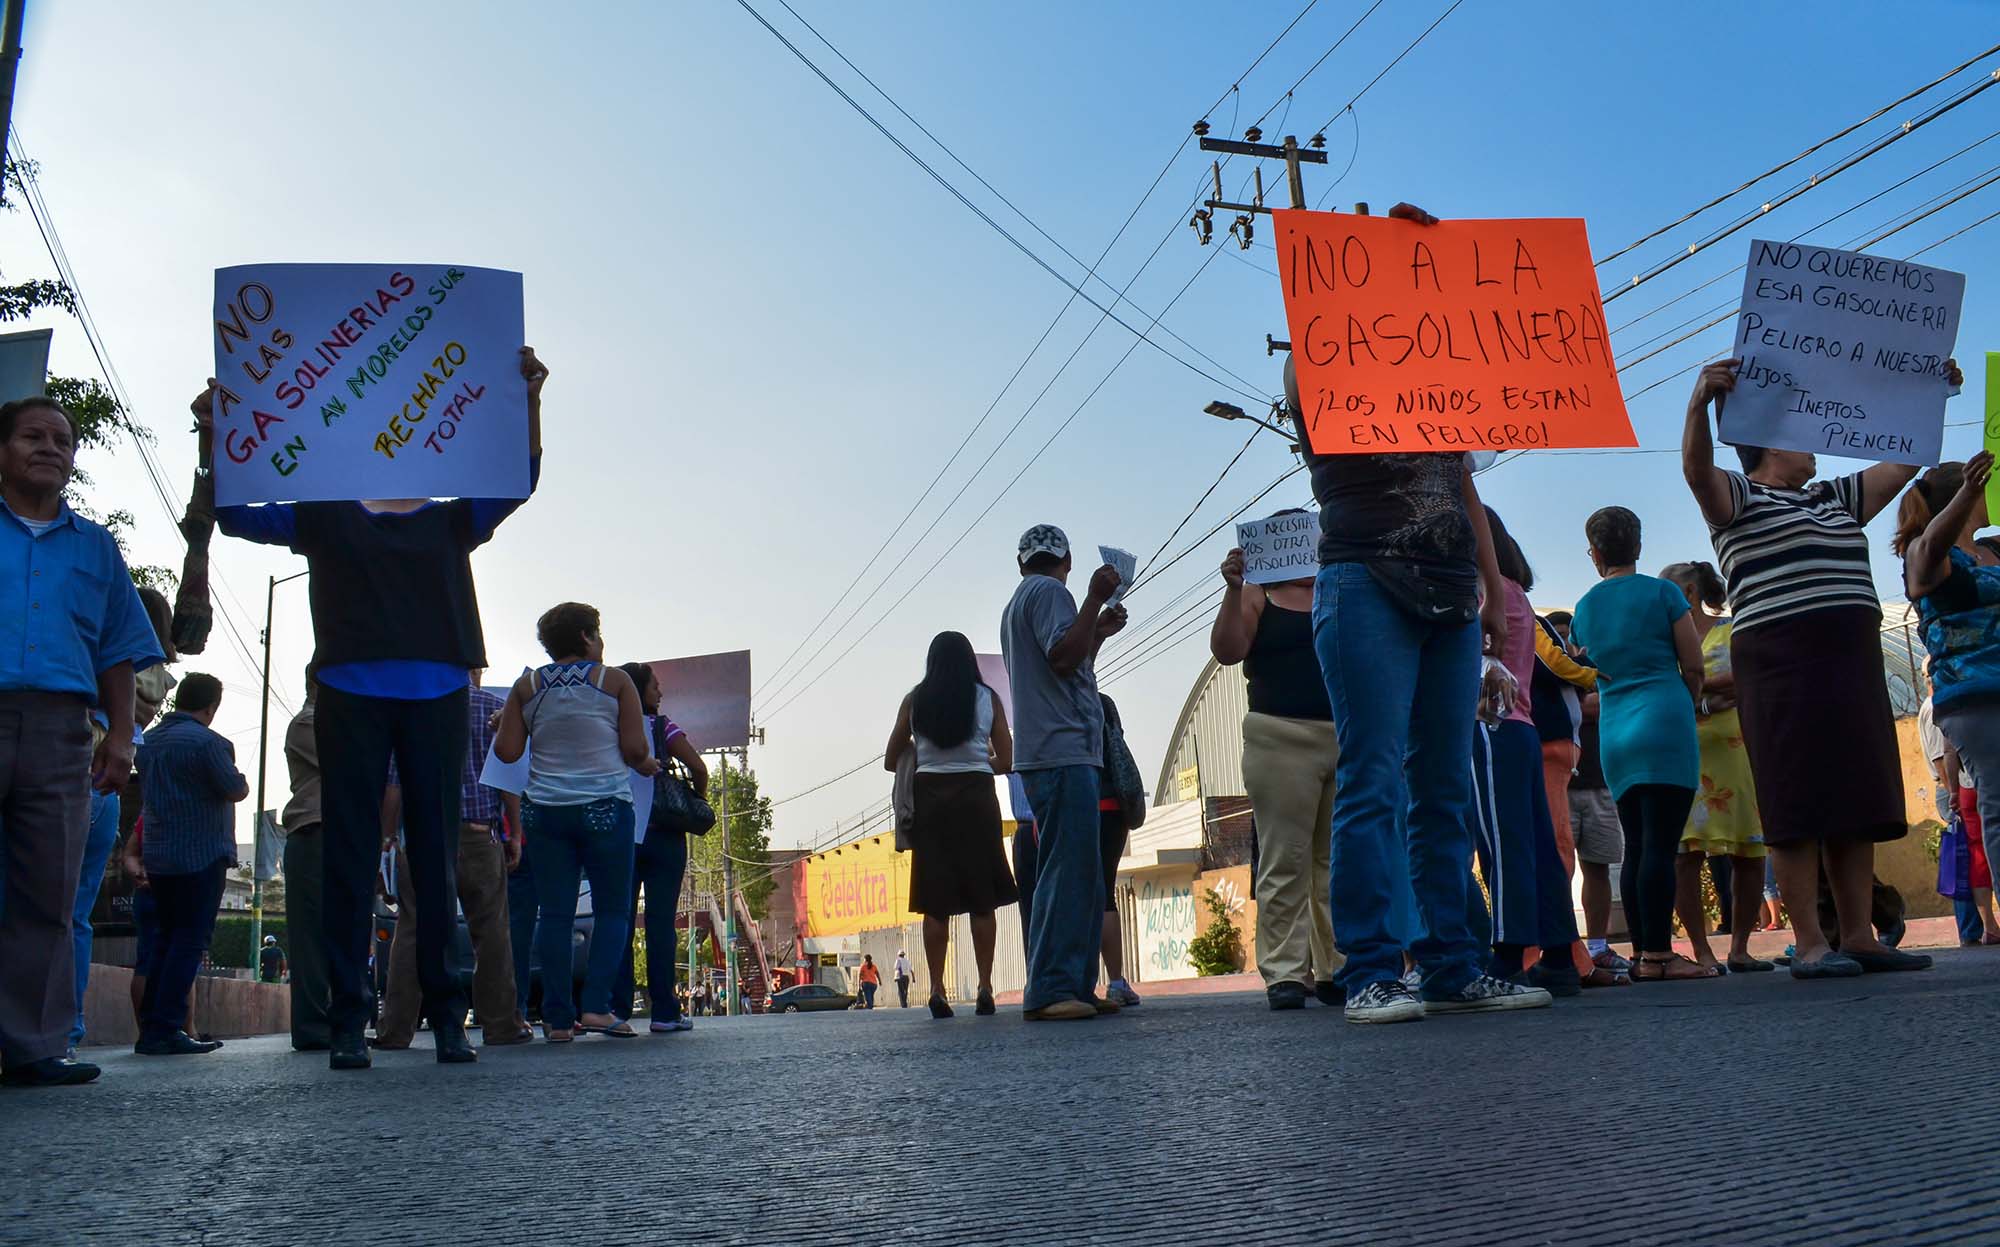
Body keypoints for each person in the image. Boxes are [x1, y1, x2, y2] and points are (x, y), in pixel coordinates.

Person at [207, 346, 551, 1068]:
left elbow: (520, 480)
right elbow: (236, 515)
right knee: (351, 855)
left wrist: (528, 398)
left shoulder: (452, 519)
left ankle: (449, 1019)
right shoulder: (326, 512)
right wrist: (215, 434)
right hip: (350, 691)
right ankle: (345, 1019)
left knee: (434, 855)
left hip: (435, 692)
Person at [1285, 274, 1550, 1025]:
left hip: (1450, 594)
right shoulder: (1323, 361)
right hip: (1365, 582)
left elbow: (1465, 489)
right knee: (1372, 779)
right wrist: (1351, 271)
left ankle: (1449, 964)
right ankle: (1369, 968)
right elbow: (1307, 362)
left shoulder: (1435, 382)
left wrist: (1492, 592)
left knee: (1443, 787)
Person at [1684, 356, 1944, 978]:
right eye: (1803, 440)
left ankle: (1860, 936)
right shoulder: (1739, 496)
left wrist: (1927, 390)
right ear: (1772, 447)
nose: (1816, 451)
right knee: (1794, 800)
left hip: (1850, 663)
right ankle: (1810, 944)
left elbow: (1905, 460)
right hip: (1779, 666)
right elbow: (1698, 471)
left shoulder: (1835, 497)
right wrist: (1698, 406)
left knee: (1857, 796)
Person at [0, 395, 163, 1087]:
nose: (51, 448)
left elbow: (119, 651)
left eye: (63, 440)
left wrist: (121, 738)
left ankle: (36, 1046)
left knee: (48, 892)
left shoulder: (95, 546)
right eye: (33, 435)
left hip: (62, 729)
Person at [494, 602, 659, 1042]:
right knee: (612, 910)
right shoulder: (616, 682)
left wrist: (510, 722)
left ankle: (558, 1019)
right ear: (587, 637)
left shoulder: (526, 687)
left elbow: (508, 752)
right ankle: (597, 1008)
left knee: (555, 915)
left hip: (544, 812)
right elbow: (633, 750)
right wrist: (648, 765)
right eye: (598, 633)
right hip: (605, 807)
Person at [1570, 508, 1707, 982]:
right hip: (1665, 720)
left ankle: (1643, 956)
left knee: (1636, 845)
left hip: (1615, 730)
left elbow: (1580, 669)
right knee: (1662, 844)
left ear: (1596, 553)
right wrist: (1689, 699)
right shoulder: (1664, 592)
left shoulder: (1585, 607)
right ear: (1639, 547)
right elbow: (1693, 663)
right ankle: (1658, 955)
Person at [1211, 525, 1340, 1010]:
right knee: (1285, 858)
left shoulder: (1336, 586)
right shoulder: (1256, 594)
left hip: (1342, 735)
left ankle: (1338, 968)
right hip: (1278, 735)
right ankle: (1286, 973)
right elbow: (1227, 651)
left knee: (1335, 861)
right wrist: (1231, 588)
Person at [1001, 526, 1126, 1022]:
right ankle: (1052, 988)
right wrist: (1094, 600)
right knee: (1068, 873)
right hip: (1062, 750)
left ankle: (1073, 984)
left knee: (1082, 874)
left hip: (1051, 750)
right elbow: (1061, 657)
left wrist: (1094, 630)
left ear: (1021, 562)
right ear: (1068, 560)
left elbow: (1071, 659)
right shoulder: (1053, 592)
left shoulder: (1020, 599)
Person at [1464, 508, 1584, 995]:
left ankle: (1508, 951)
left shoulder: (1479, 592)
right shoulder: (1515, 594)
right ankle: (1557, 952)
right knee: (1534, 844)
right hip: (1521, 727)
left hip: (1489, 726)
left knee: (1501, 844)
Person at [377, 669, 530, 1050]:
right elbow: (509, 778)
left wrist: (387, 838)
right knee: (491, 933)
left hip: (426, 839)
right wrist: (514, 832)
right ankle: (500, 1026)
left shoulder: (413, 712)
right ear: (476, 671)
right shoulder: (495, 709)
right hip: (480, 836)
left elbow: (394, 785)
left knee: (412, 931)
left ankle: (396, 1030)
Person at [885, 630, 1019, 1019]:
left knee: (935, 902)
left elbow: (892, 759)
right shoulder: (988, 699)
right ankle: (985, 987)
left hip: (931, 803)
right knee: (982, 899)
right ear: (969, 662)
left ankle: (939, 990)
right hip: (977, 799)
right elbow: (1007, 762)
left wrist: (922, 752)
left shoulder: (915, 701)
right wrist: (977, 763)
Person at [1901, 451, 2000, 947]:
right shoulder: (1928, 553)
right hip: (1976, 697)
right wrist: (1965, 492)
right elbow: (1929, 555)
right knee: (1998, 804)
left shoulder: (1993, 550)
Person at [1655, 560, 1772, 975]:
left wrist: (1695, 688)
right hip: (1684, 755)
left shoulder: (1732, 630)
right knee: (1685, 852)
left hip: (1738, 753)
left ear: (1687, 593)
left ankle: (1740, 947)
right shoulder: (1661, 644)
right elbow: (1663, 692)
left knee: (1749, 850)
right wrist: (1707, 696)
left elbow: (1750, 677)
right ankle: (1701, 950)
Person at [135, 674, 247, 1054]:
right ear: (211, 706)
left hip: (160, 854)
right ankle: (167, 1028)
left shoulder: (147, 743)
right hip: (201, 854)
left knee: (164, 939)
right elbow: (235, 789)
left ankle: (150, 1028)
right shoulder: (210, 744)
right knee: (189, 942)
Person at [612, 660, 707, 1034]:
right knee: (661, 922)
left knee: (618, 921)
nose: (660, 692)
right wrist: (693, 802)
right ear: (643, 691)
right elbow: (698, 767)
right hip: (666, 835)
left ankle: (616, 1010)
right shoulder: (662, 727)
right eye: (655, 687)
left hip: (623, 835)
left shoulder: (613, 728)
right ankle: (665, 1012)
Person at [280, 675, 332, 1050]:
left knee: (336, 933)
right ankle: (313, 1026)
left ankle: (334, 1020)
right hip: (313, 828)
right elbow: (348, 761)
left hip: (338, 832)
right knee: (312, 935)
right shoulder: (307, 722)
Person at [1094, 694, 1143, 1009]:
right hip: (1111, 806)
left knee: (1077, 894)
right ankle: (1115, 982)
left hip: (1077, 802)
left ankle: (1077, 982)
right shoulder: (1104, 703)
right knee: (1105, 892)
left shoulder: (1054, 700)